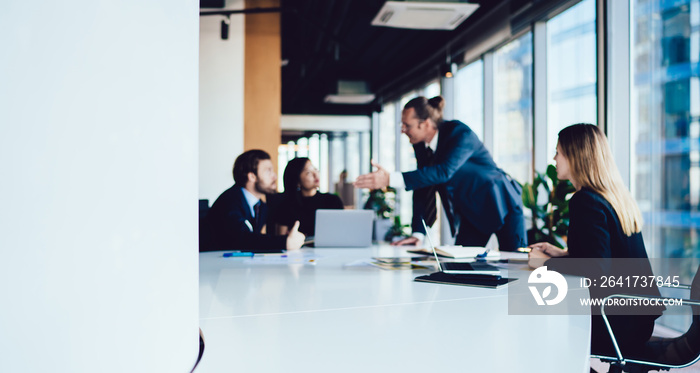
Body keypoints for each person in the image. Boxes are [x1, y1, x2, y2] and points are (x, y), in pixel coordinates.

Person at [528, 124, 662, 358]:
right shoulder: (614, 196)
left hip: (615, 325)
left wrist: (544, 265)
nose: (554, 158)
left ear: (575, 156)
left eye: (558, 152)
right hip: (637, 319)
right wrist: (563, 254)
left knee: (538, 330)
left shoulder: (585, 201)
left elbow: (597, 270)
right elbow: (605, 259)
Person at [354, 96, 526, 251]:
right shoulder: (422, 146)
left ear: (426, 123)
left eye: (407, 125)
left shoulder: (459, 133)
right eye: (402, 125)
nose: (403, 130)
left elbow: (444, 171)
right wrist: (418, 233)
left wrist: (390, 179)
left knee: (515, 263)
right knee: (460, 266)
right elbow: (423, 184)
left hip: (502, 203)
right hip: (473, 213)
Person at [206, 149, 305, 253]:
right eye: (268, 171)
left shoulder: (261, 206)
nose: (274, 176)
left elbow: (253, 239)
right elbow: (242, 239)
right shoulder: (229, 201)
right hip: (215, 263)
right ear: (252, 176)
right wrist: (284, 242)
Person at [272, 157, 344, 236]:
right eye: (308, 172)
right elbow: (281, 238)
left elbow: (341, 231)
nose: (315, 174)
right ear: (297, 181)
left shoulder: (332, 201)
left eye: (315, 169)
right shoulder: (286, 206)